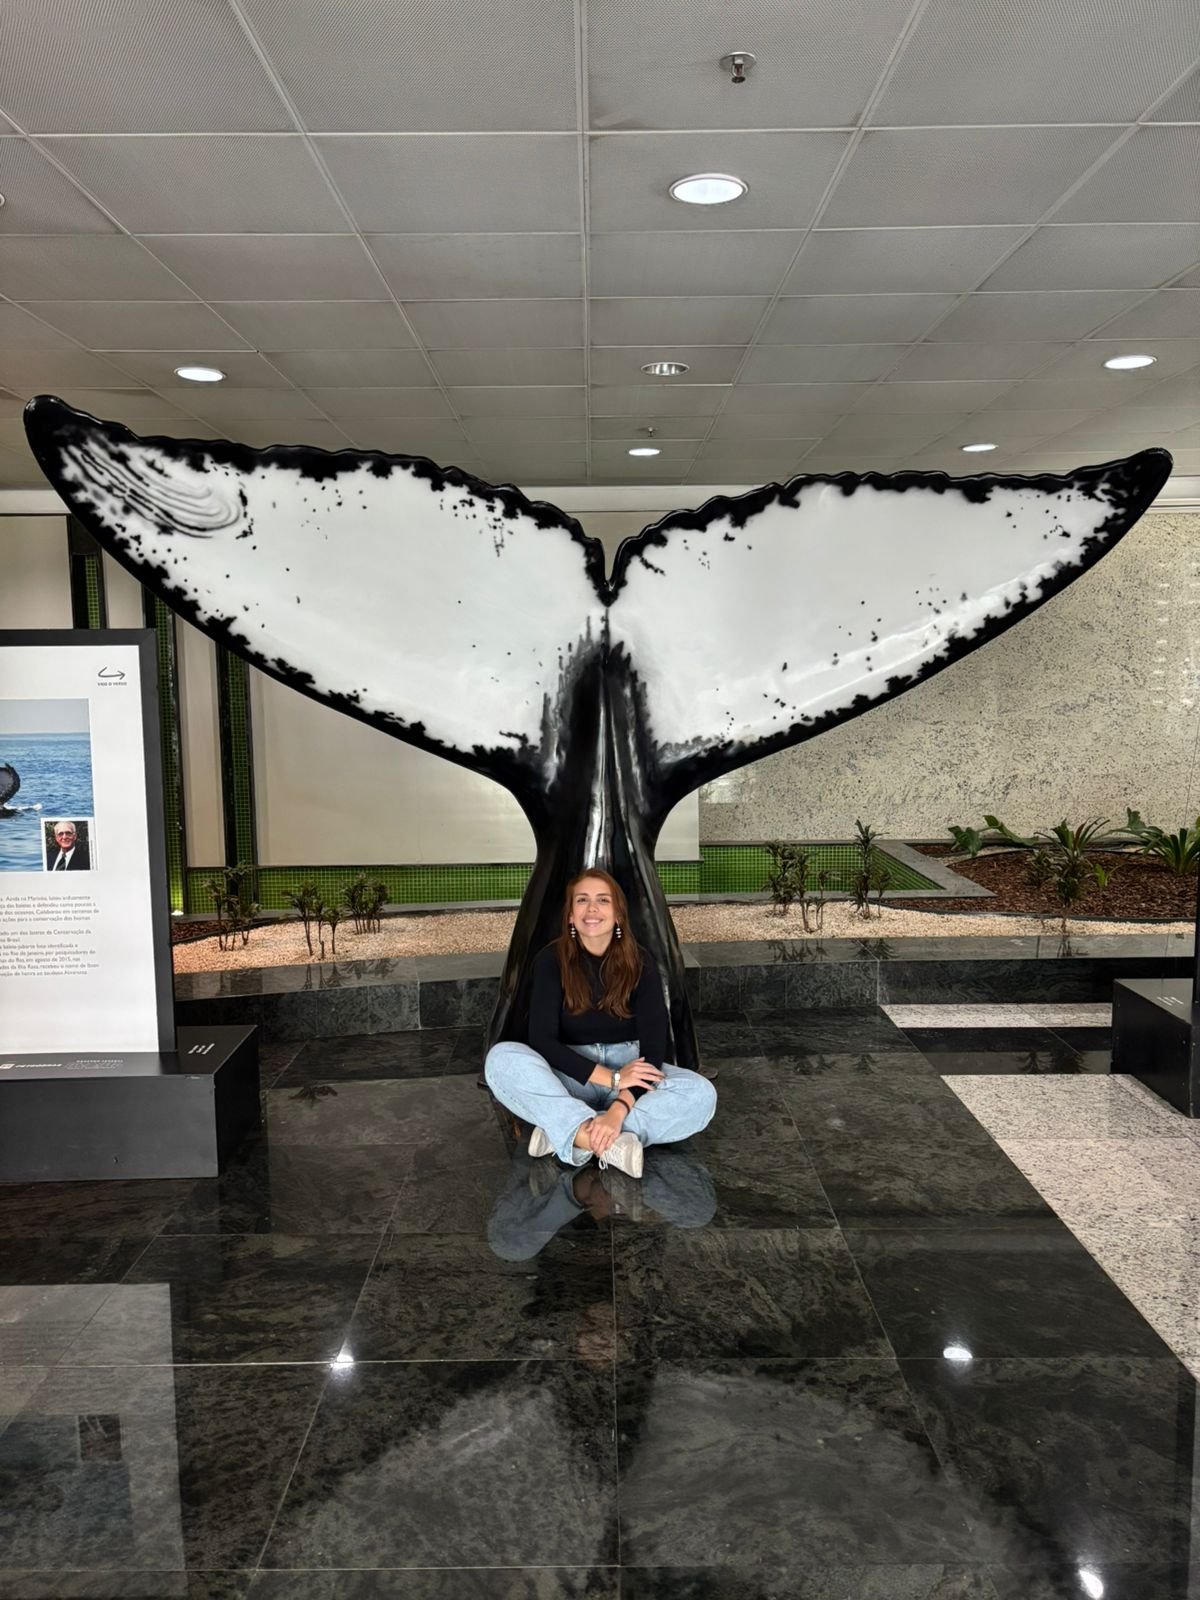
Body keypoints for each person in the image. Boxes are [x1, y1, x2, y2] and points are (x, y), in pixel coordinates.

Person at [484, 869, 717, 1179]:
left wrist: (620, 1106)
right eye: (582, 900)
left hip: (632, 1070)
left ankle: (571, 1131)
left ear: (618, 914)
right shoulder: (550, 960)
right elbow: (542, 1040)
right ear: (570, 916)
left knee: (700, 1095)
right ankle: (606, 1141)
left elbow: (653, 1049)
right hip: (570, 1074)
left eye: (603, 900)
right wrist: (613, 1078)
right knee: (501, 1060)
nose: (592, 908)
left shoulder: (642, 962)